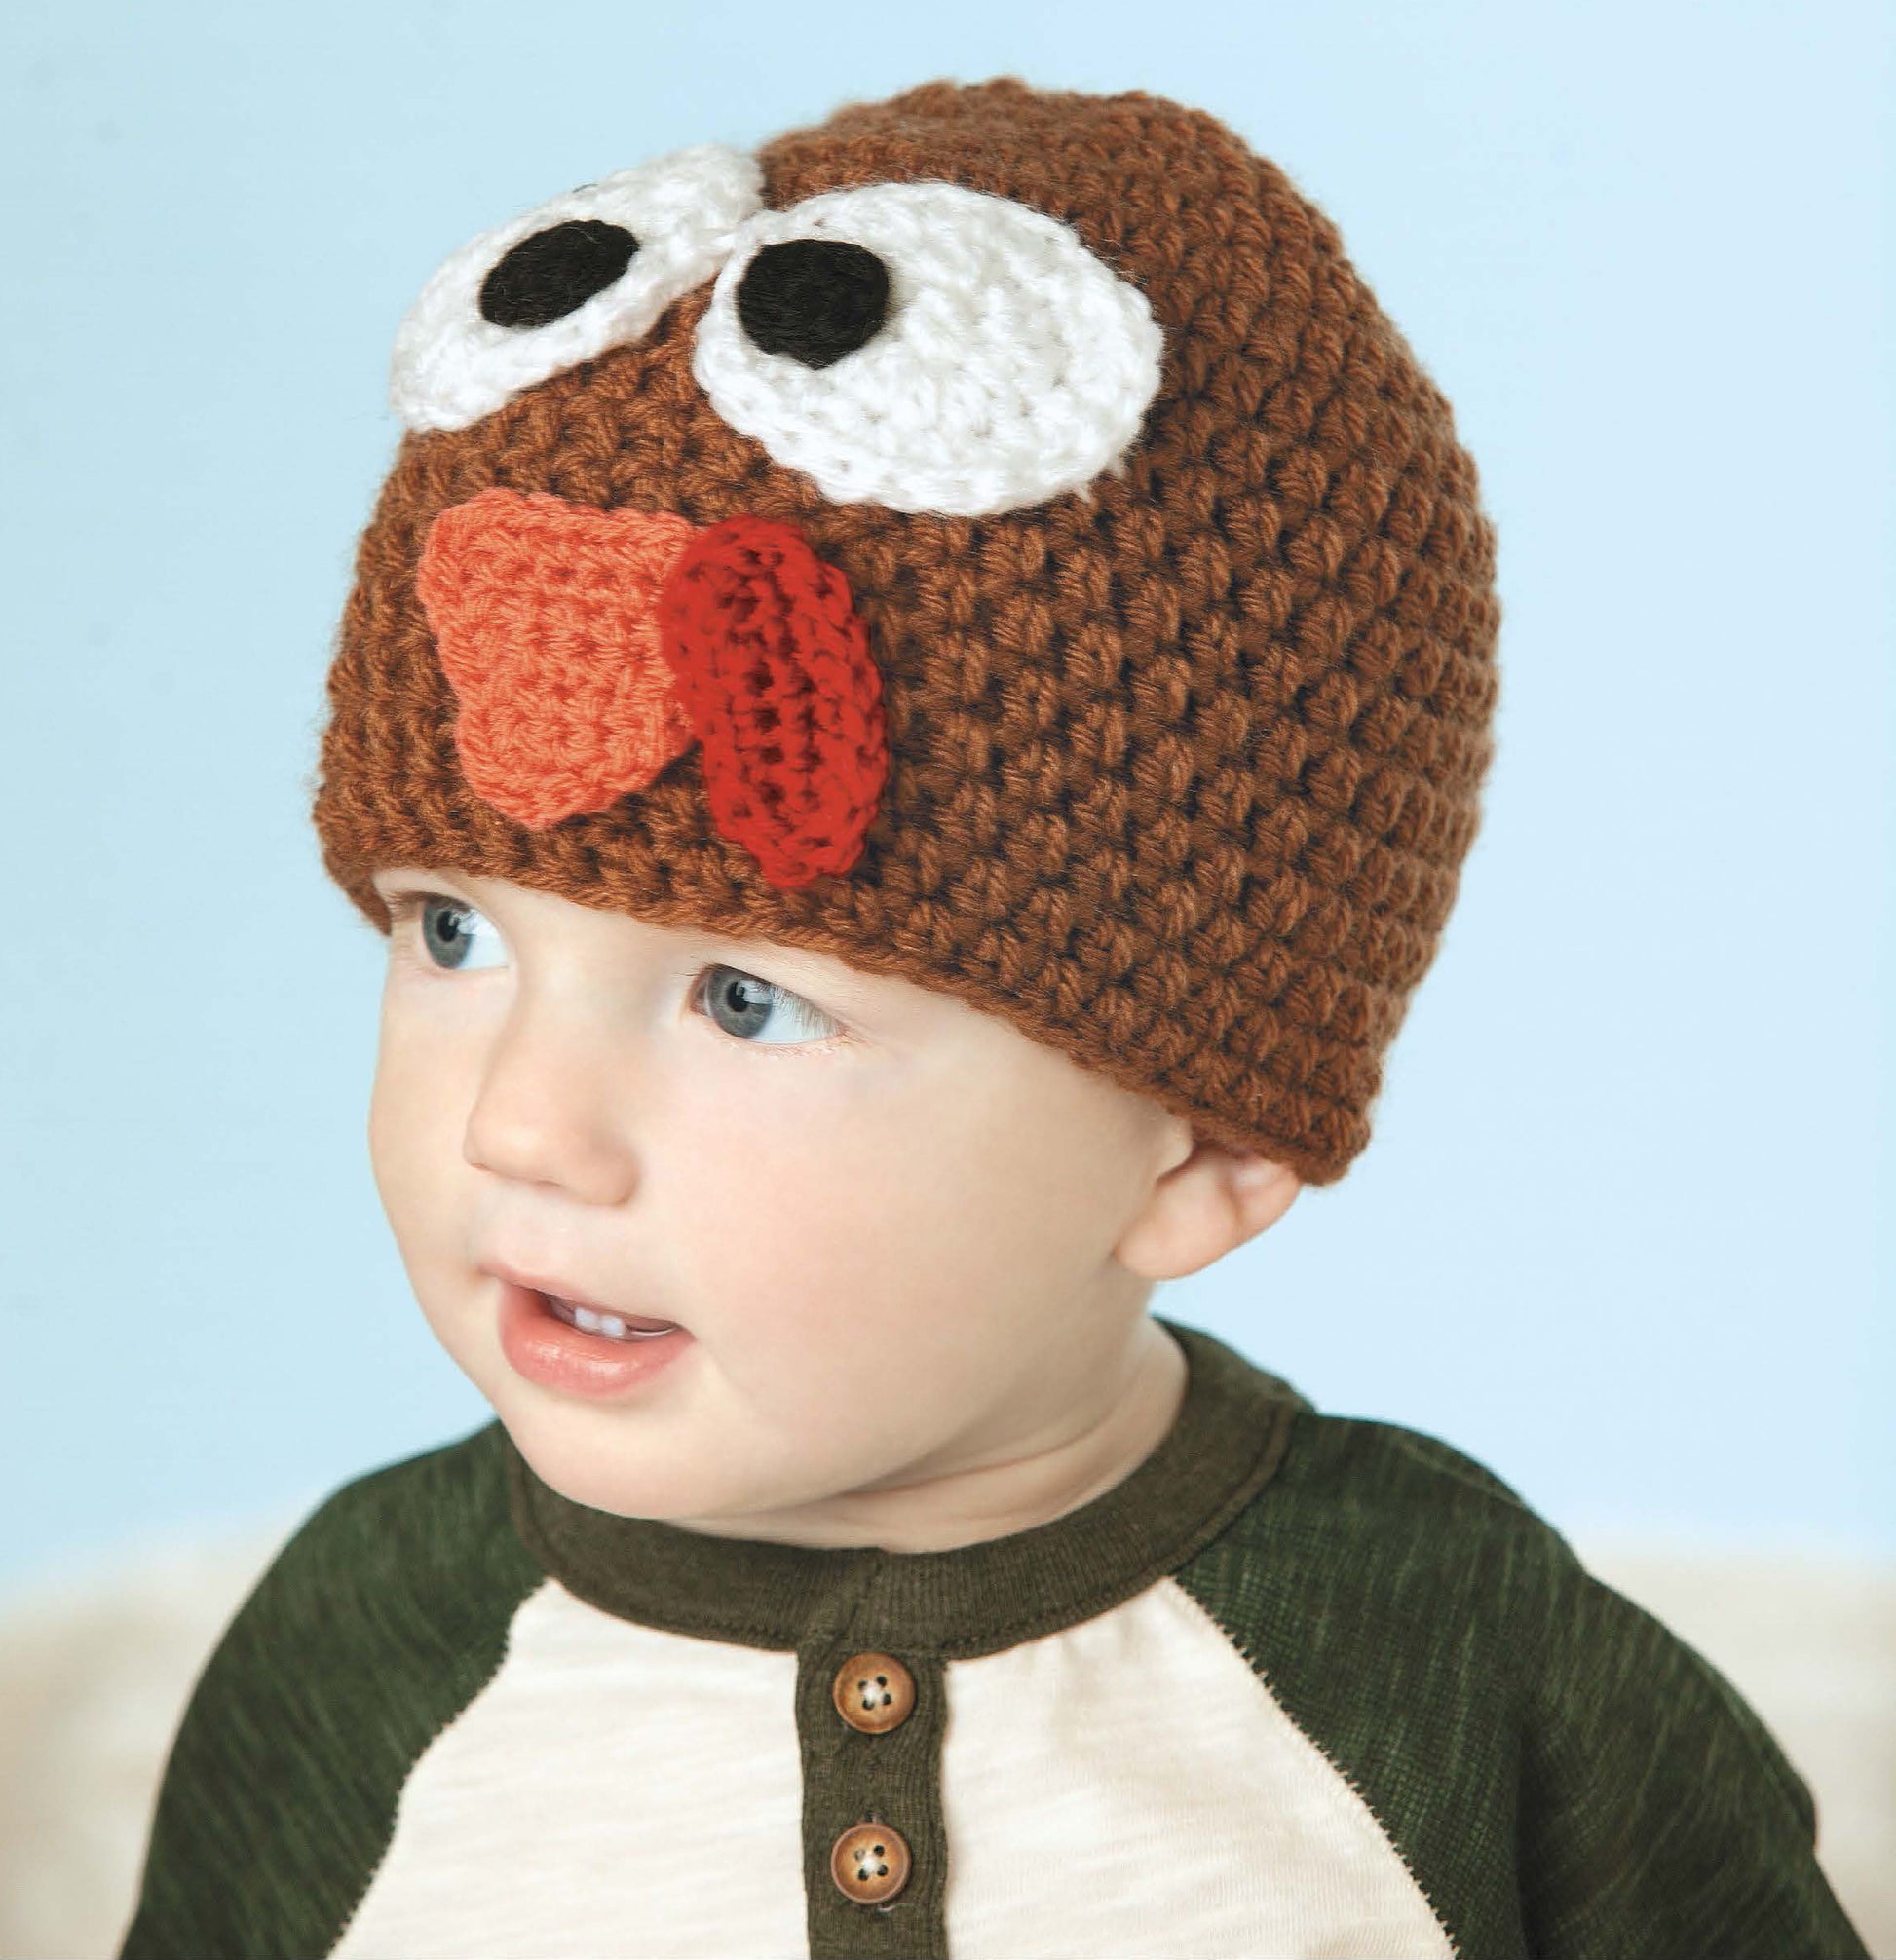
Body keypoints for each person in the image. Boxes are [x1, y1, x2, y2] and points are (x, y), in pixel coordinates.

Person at [117, 75, 1869, 1960]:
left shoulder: (1460, 1673)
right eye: (453, 934)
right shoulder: (357, 1662)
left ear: (1201, 1146)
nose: (520, 1126)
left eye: (743, 1000)